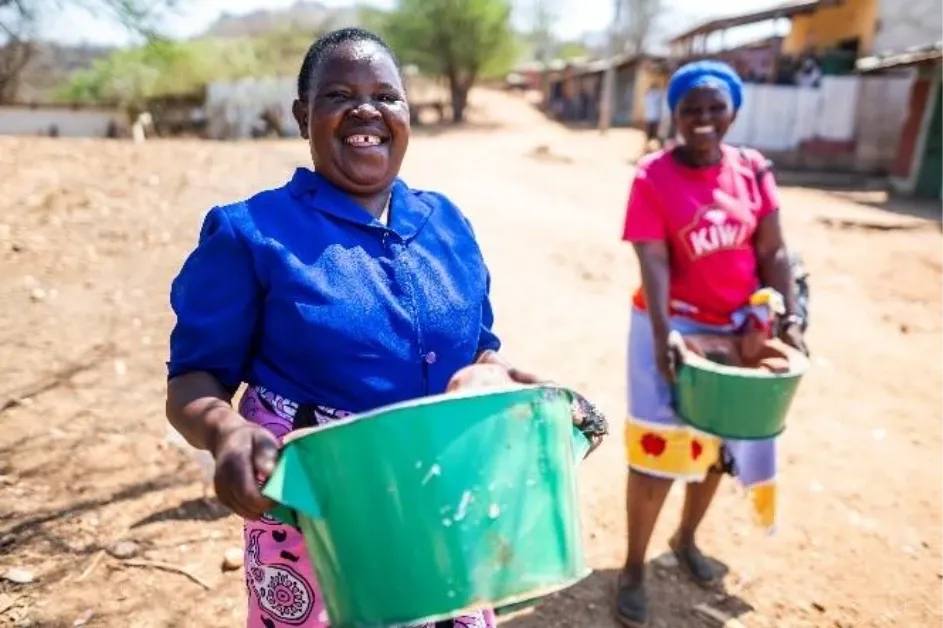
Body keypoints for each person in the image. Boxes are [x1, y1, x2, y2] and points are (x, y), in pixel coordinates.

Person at [164, 27, 567, 628]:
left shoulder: (447, 223)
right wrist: (225, 431)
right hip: (317, 509)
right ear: (304, 116)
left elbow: (479, 349)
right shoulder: (252, 233)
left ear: (407, 114)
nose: (366, 109)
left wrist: (493, 378)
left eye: (386, 94)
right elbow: (193, 380)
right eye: (337, 95)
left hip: (442, 496)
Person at [614, 60, 808, 627]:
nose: (703, 120)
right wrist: (664, 337)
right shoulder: (652, 178)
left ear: (733, 111)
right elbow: (652, 260)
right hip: (672, 327)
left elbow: (772, 251)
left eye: (714, 108)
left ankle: (686, 538)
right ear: (674, 115)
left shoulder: (752, 169)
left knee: (719, 448)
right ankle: (632, 567)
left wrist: (788, 315)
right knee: (657, 455)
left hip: (738, 329)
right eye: (690, 110)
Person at [642, 84, 663, 154]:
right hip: (654, 117)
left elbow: (644, 104)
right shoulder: (658, 94)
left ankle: (648, 148)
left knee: (650, 134)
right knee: (654, 134)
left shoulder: (649, 95)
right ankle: (652, 148)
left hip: (650, 117)